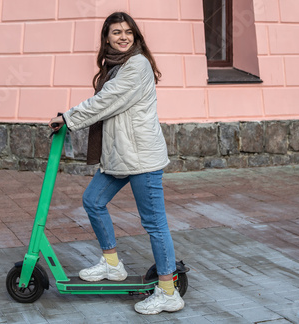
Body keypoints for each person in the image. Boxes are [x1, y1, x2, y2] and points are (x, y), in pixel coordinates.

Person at [48, 12, 184, 315]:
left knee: (154, 224)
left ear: (135, 37)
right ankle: (112, 264)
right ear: (106, 38)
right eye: (116, 32)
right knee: (93, 200)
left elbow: (106, 101)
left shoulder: (137, 65)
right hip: (121, 156)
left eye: (128, 32)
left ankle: (167, 291)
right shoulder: (116, 66)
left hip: (142, 159)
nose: (123, 37)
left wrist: (69, 119)